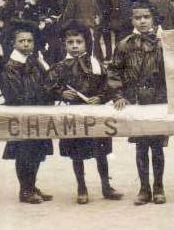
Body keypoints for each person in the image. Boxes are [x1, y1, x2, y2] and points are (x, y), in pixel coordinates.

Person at [47, 20, 122, 204]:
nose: (74, 46)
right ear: (65, 44)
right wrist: (62, 93)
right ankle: (81, 187)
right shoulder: (61, 66)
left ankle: (106, 186)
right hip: (74, 115)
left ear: (86, 43)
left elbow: (107, 85)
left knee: (101, 152)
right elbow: (48, 85)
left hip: (95, 114)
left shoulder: (95, 63)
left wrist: (101, 97)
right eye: (70, 42)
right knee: (77, 153)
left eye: (78, 42)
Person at [110, 0, 169, 205]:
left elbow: (173, 71)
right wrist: (118, 95)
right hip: (135, 101)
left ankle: (159, 187)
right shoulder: (125, 44)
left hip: (157, 100)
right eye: (137, 18)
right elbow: (115, 70)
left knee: (157, 146)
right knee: (141, 147)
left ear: (153, 18)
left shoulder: (163, 42)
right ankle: (144, 188)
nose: (142, 21)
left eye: (146, 17)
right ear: (131, 19)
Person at [0, 20, 54, 204]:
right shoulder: (11, 67)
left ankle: (32, 185)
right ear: (14, 43)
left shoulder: (35, 61)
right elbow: (15, 94)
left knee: (37, 152)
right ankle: (25, 189)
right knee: (24, 154)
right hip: (22, 115)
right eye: (21, 41)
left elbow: (47, 82)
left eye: (29, 41)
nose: (26, 44)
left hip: (38, 113)